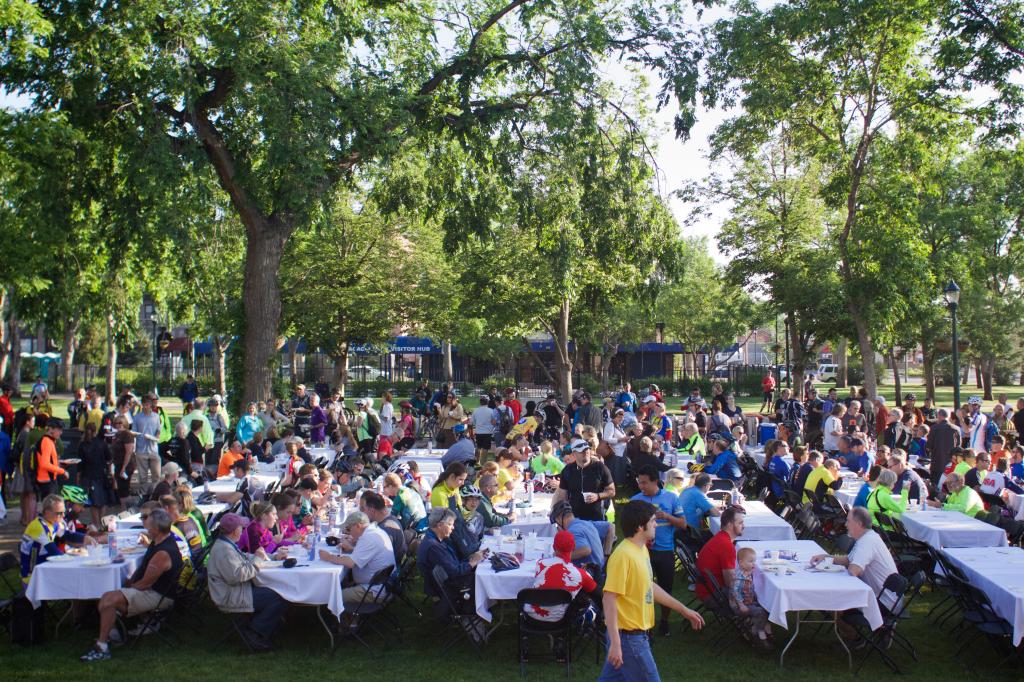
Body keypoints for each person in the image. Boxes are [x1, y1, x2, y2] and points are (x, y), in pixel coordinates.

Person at [598, 500, 704, 681]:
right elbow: (609, 599)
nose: (656, 524)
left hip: (632, 638)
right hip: (629, 640)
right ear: (640, 526)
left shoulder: (641, 550)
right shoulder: (623, 556)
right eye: (653, 521)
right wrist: (616, 643)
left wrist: (684, 610)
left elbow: (649, 586)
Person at [80, 508, 183, 662]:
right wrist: (127, 584)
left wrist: (125, 589)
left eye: (148, 525)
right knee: (106, 594)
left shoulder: (163, 553)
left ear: (156, 529)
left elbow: (144, 584)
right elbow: (142, 574)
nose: (146, 528)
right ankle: (113, 634)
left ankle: (102, 646)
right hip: (154, 590)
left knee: (108, 600)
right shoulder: (160, 542)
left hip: (160, 596)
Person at [207, 512, 287, 651]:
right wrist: (258, 559)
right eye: (241, 528)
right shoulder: (225, 550)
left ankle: (257, 630)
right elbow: (238, 575)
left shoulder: (227, 544)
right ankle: (254, 634)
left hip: (236, 590)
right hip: (230, 596)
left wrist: (272, 557)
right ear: (234, 531)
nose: (243, 530)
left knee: (275, 591)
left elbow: (244, 557)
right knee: (279, 597)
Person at [810, 506, 899, 615]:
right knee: (829, 595)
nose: (845, 525)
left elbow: (853, 571)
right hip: (885, 597)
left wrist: (835, 568)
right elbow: (848, 560)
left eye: (848, 521)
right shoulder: (868, 537)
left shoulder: (867, 542)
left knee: (830, 600)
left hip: (884, 602)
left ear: (859, 524)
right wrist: (826, 557)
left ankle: (850, 624)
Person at [631, 466, 687, 636]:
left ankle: (664, 621)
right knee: (641, 588)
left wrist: (667, 516)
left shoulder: (671, 497)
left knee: (665, 588)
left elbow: (683, 524)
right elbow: (628, 527)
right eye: (639, 482)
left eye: (644, 483)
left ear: (656, 481)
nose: (641, 486)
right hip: (642, 551)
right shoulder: (635, 500)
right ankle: (644, 623)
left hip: (665, 550)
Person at [524, 530, 598, 636]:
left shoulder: (540, 564)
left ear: (553, 547)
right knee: (591, 603)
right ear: (573, 548)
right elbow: (598, 596)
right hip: (560, 621)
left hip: (531, 618)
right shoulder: (581, 574)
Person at [319, 510, 396, 607]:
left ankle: (341, 616)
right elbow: (368, 553)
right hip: (380, 584)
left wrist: (328, 557)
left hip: (375, 590)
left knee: (333, 596)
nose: (348, 533)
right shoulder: (374, 531)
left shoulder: (369, 537)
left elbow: (351, 563)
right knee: (339, 586)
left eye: (348, 529)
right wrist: (352, 549)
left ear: (358, 526)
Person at [417, 507, 486, 607]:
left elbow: (453, 563)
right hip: (451, 587)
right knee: (484, 579)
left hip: (450, 581)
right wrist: (473, 562)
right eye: (450, 524)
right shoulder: (434, 547)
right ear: (440, 525)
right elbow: (455, 572)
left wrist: (471, 557)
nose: (453, 528)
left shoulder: (437, 540)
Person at [20, 494, 94, 583]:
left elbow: (67, 534)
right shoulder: (39, 527)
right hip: (33, 576)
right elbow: (54, 552)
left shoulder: (52, 521)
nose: (63, 516)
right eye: (59, 513)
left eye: (64, 512)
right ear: (47, 512)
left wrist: (85, 537)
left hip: (44, 566)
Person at [554, 439, 615, 522]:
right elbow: (562, 497)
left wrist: (598, 496)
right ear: (574, 454)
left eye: (587, 449)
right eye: (581, 451)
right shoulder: (568, 470)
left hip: (597, 519)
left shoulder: (600, 467)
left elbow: (612, 491)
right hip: (575, 519)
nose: (585, 452)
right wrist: (562, 514)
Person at [695, 506, 745, 603]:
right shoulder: (726, 545)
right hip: (714, 595)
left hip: (706, 589)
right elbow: (730, 583)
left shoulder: (720, 537)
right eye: (740, 523)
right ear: (730, 525)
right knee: (756, 597)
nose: (744, 526)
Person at [550, 501, 614, 570]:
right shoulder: (586, 523)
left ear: (559, 519)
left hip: (591, 573)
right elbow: (611, 526)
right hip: (599, 568)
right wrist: (606, 555)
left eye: (557, 525)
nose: (558, 528)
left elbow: (586, 550)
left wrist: (561, 556)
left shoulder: (573, 531)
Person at [731, 547, 772, 646]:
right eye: (751, 561)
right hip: (739, 605)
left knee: (766, 605)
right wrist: (741, 605)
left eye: (754, 561)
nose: (754, 564)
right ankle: (758, 632)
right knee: (760, 611)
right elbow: (735, 592)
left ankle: (764, 627)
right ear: (741, 563)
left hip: (748, 600)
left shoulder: (746, 572)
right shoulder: (739, 577)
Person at [360, 491, 407, 563]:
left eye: (363, 509)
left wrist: (352, 547)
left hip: (391, 566)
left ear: (372, 510)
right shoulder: (390, 519)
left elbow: (369, 556)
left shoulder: (384, 530)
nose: (362, 513)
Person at [132, 395, 162, 492]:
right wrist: (136, 435)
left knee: (157, 474)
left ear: (151, 405)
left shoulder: (156, 416)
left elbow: (158, 430)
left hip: (153, 449)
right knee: (143, 476)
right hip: (141, 449)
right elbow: (134, 432)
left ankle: (155, 492)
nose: (145, 407)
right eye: (143, 405)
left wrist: (156, 437)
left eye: (147, 405)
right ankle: (144, 493)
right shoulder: (137, 417)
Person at [927, 408, 961, 486]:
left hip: (937, 464)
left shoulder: (934, 428)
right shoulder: (956, 429)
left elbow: (929, 446)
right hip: (951, 464)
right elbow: (959, 447)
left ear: (939, 415)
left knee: (935, 486)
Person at [679, 473, 719, 539]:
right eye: (710, 485)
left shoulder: (687, 490)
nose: (710, 487)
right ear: (706, 486)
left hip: (680, 528)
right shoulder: (698, 494)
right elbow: (716, 514)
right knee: (714, 536)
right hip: (689, 532)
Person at [34, 418, 67, 498]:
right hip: (47, 481)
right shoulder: (47, 441)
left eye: (61, 430)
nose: (61, 432)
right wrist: (62, 471)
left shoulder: (50, 440)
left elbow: (50, 460)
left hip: (49, 480)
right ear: (50, 429)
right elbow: (45, 464)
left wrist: (59, 464)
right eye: (58, 430)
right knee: (50, 505)